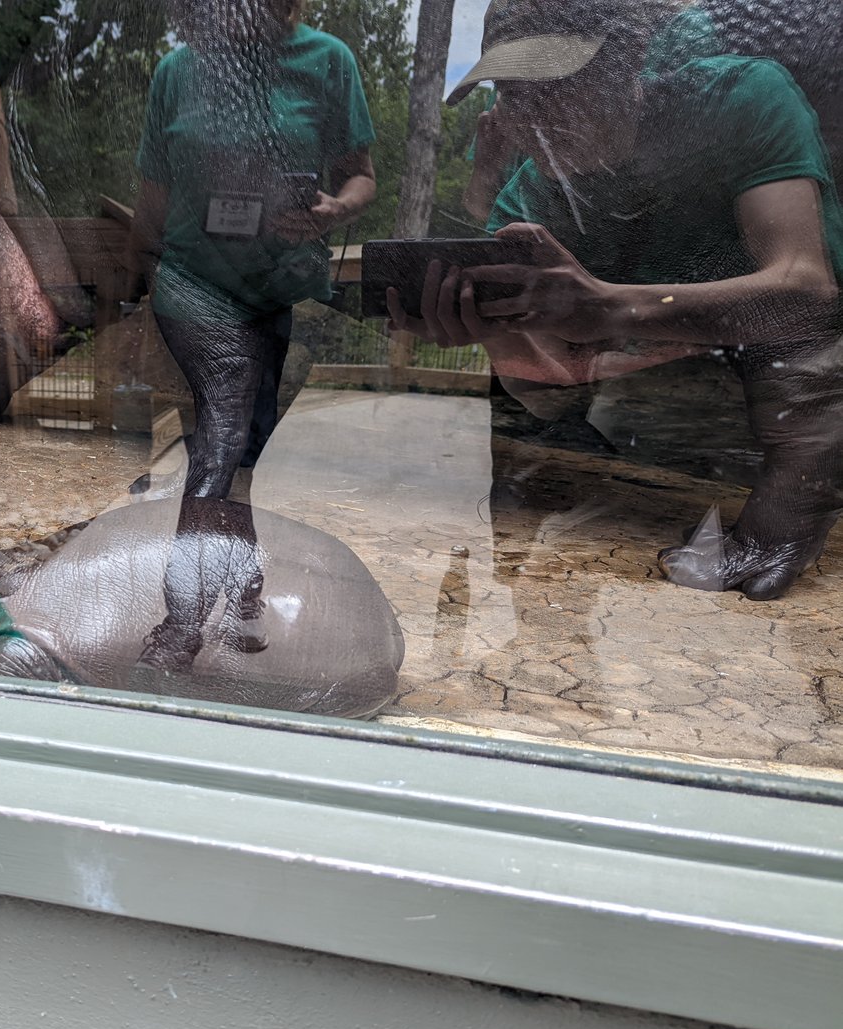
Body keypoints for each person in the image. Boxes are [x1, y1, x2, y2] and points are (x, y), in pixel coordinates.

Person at [388, 0, 843, 601]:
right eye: (513, 94)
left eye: (554, 86)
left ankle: (780, 524)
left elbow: (806, 291)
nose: (534, 119)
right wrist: (488, 330)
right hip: (650, 387)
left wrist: (608, 307)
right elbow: (551, 386)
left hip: (788, 369)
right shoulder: (529, 199)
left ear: (623, 65)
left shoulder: (738, 98)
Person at [127, 0, 379, 678]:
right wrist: (139, 290)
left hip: (281, 290)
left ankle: (244, 587)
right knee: (220, 445)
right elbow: (151, 208)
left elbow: (362, 176)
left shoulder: (328, 62)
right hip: (193, 287)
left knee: (243, 454)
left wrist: (335, 209)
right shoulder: (177, 72)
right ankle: (182, 619)